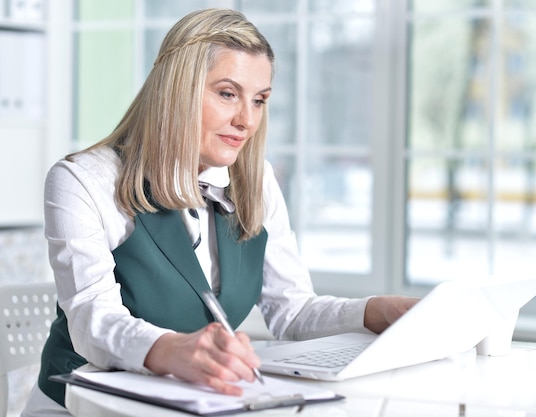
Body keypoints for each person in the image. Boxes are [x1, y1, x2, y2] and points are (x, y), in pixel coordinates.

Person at [22, 8, 417, 417]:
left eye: (259, 100)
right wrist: (170, 349)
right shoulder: (83, 180)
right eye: (228, 93)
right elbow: (90, 318)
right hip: (80, 407)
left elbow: (292, 311)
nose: (247, 120)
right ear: (179, 89)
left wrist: (373, 310)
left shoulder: (256, 181)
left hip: (191, 404)